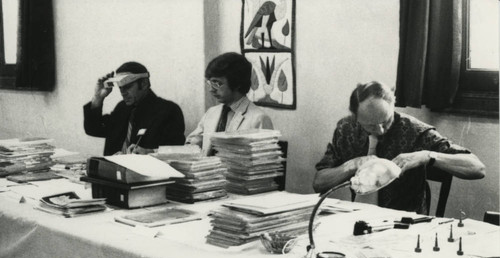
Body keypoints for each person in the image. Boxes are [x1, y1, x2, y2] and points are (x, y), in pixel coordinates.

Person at [313, 81, 485, 214]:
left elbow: (477, 168)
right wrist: (351, 165)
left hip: (403, 224)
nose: (380, 130)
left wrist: (427, 156)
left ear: (393, 105)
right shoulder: (346, 128)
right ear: (355, 117)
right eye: (371, 125)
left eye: (386, 121)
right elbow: (319, 183)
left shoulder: (415, 131)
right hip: (356, 218)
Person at [83, 61, 185, 155]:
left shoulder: (168, 111)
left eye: (127, 87)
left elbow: (176, 152)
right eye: (120, 88)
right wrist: (98, 98)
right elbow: (93, 129)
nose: (123, 93)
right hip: (114, 171)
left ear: (144, 84)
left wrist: (150, 153)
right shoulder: (122, 108)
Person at [186, 52, 274, 156]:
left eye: (217, 83)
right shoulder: (212, 112)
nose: (211, 90)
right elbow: (194, 140)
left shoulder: (259, 118)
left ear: (237, 83)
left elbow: (264, 164)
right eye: (210, 83)